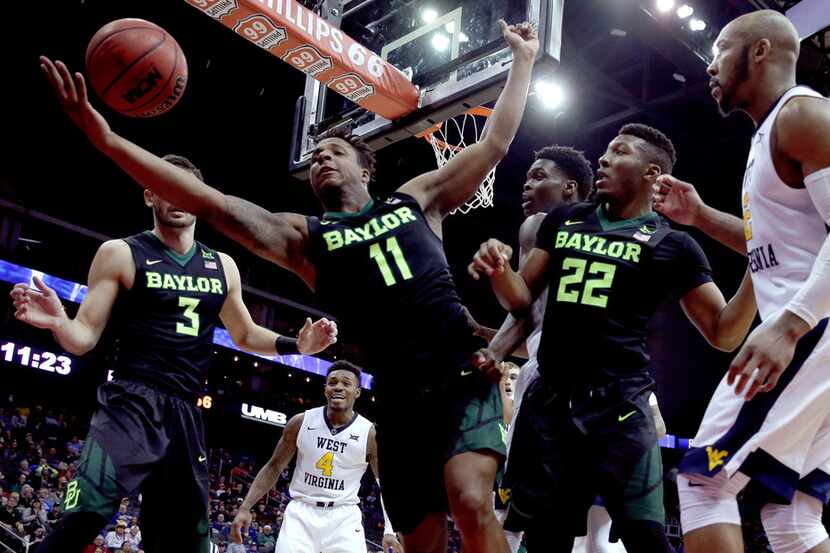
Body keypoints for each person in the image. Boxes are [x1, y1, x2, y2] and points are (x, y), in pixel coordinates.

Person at [39, 18, 538, 553]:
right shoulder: (303, 237)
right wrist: (107, 138)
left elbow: (494, 144)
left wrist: (524, 62)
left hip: (459, 373)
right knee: (424, 543)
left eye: (335, 152)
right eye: (316, 155)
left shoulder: (417, 198)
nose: (321, 157)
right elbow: (213, 203)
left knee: (469, 501)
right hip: (396, 399)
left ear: (365, 169)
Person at [10, 155, 338, 553]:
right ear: (150, 195)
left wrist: (296, 346)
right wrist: (60, 321)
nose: (178, 199)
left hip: (184, 413)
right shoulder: (121, 253)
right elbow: (83, 337)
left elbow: (245, 333)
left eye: (186, 190)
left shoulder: (223, 266)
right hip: (130, 403)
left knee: (187, 544)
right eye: (167, 188)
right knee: (87, 509)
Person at [469, 123, 758, 551]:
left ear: (651, 172)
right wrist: (499, 271)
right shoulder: (566, 220)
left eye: (619, 152)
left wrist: (759, 272)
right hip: (552, 404)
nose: (603, 159)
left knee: (645, 536)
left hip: (621, 406)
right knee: (545, 539)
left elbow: (724, 333)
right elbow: (522, 301)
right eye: (605, 151)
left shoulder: (673, 245)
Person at [651, 10, 830, 553]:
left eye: (721, 48)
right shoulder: (772, 132)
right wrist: (702, 217)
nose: (709, 63)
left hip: (811, 330)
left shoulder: (803, 116)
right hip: (813, 333)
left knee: (703, 479)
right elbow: (776, 247)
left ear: (759, 52)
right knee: (790, 514)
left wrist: (788, 327)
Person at [478, 145, 595, 553]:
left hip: (551, 375)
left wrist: (490, 353)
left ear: (570, 187)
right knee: (570, 517)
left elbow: (523, 307)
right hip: (607, 378)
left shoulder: (539, 225)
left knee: (513, 508)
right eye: (527, 177)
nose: (527, 184)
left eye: (539, 176)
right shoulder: (604, 229)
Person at [230, 361, 403, 553]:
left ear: (357, 392)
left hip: (343, 518)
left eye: (346, 383)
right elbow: (274, 467)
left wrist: (390, 530)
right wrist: (246, 507)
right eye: (332, 382)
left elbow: (386, 485)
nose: (338, 387)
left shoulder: (369, 433)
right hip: (301, 513)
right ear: (325, 389)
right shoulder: (300, 422)